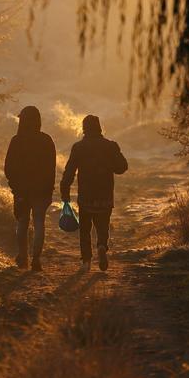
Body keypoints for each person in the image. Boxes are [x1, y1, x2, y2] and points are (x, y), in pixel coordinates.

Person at [60, 115, 128, 272]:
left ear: (84, 129)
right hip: (105, 194)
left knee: (85, 229)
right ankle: (102, 246)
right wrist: (107, 164)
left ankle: (86, 261)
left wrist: (65, 190)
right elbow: (122, 167)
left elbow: (69, 171)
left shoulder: (78, 147)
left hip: (86, 195)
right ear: (99, 127)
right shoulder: (110, 146)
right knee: (103, 226)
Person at [3, 105, 56, 271]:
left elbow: (8, 167)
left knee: (22, 223)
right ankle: (36, 260)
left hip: (22, 190)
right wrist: (49, 189)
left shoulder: (16, 141)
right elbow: (51, 168)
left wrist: (15, 186)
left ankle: (23, 258)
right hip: (41, 190)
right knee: (39, 223)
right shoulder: (46, 140)